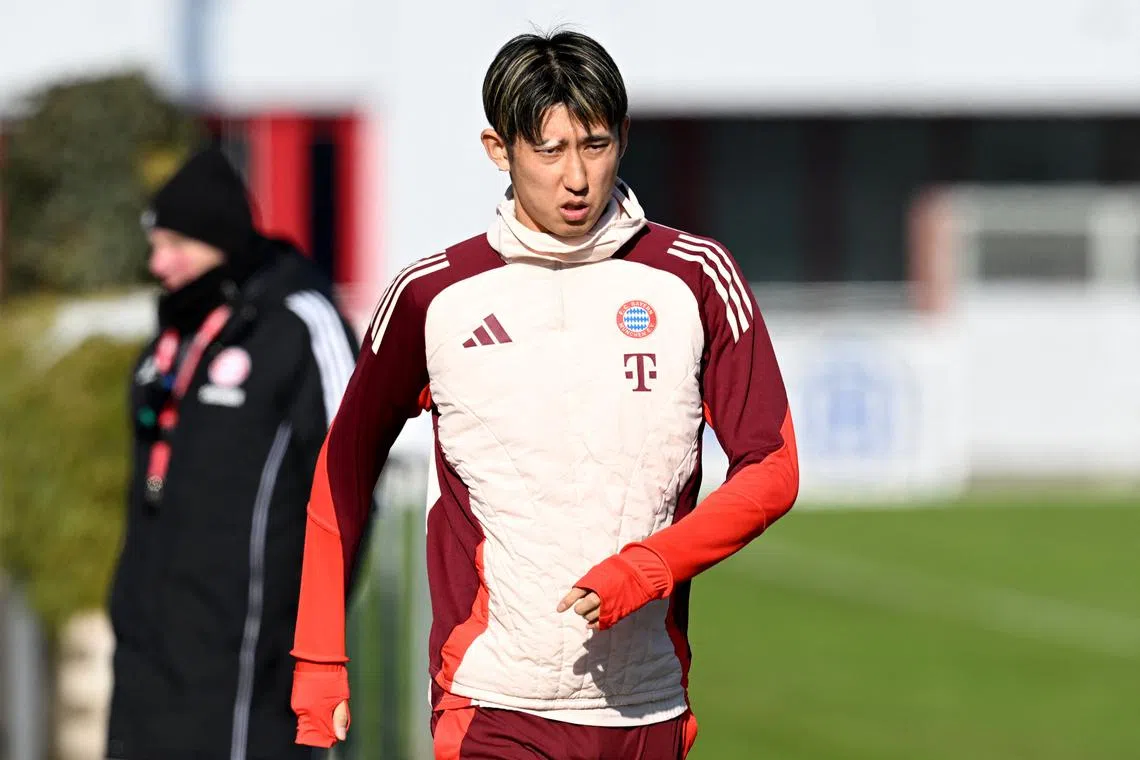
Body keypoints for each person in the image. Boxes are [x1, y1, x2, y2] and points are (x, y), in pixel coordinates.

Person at [289, 29, 800, 760]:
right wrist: (318, 657)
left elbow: (773, 469)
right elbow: (344, 466)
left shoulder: (696, 278)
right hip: (493, 705)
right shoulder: (433, 294)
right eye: (549, 150)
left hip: (646, 706)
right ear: (499, 150)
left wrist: (650, 566)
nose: (576, 178)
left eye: (594, 145)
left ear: (622, 137)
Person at [106, 145, 359, 760]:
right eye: (154, 245)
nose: (157, 264)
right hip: (151, 640)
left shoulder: (300, 321)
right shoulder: (176, 328)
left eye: (173, 246)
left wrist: (315, 626)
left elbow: (352, 472)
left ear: (216, 240)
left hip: (250, 647)